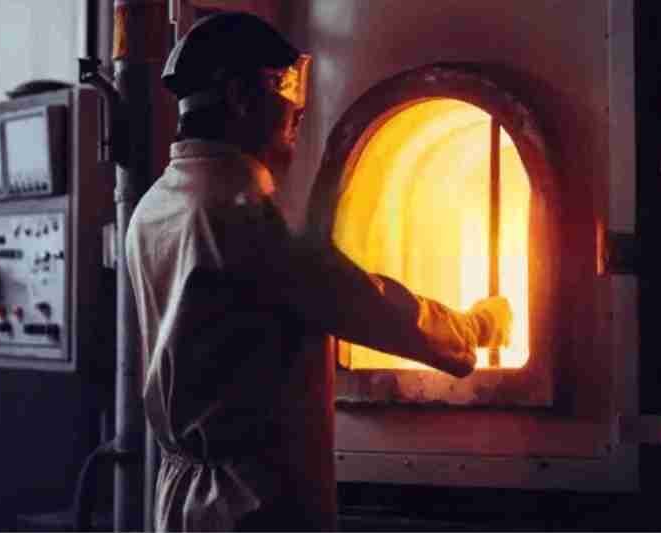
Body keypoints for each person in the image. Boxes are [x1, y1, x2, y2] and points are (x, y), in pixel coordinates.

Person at [125, 11, 513, 532]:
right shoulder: (243, 213)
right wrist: (474, 328)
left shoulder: (155, 205)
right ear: (243, 98)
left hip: (180, 496)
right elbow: (364, 304)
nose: (294, 127)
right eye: (290, 113)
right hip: (250, 503)